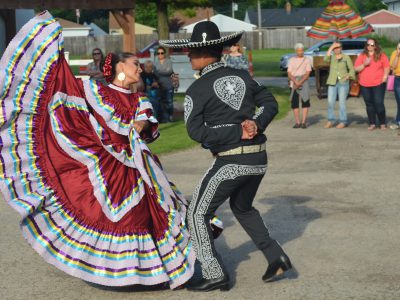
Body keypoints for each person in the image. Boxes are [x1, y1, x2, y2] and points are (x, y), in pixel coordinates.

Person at [0, 12, 195, 289]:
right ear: (119, 69)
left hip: (136, 169)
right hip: (104, 168)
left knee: (142, 217)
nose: (140, 69)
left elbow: (149, 127)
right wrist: (55, 56)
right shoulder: (95, 91)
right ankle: (118, 273)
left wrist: (140, 124)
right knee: (105, 215)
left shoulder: (140, 100)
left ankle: (141, 273)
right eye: (135, 65)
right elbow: (65, 92)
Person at [160, 20, 292, 292]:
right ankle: (275, 255)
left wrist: (235, 131)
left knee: (196, 213)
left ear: (201, 53)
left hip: (232, 162)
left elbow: (196, 132)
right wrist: (255, 124)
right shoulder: (244, 76)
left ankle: (214, 272)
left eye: (191, 52)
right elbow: (270, 103)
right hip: (258, 158)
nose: (188, 56)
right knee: (243, 208)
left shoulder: (196, 90)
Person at [355, 38, 390, 130]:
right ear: (366, 46)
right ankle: (372, 123)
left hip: (378, 83)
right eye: (368, 45)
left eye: (372, 45)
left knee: (378, 103)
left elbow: (386, 67)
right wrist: (364, 64)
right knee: (369, 104)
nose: (370, 46)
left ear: (375, 46)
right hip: (364, 84)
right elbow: (356, 69)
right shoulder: (362, 56)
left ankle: (382, 122)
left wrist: (385, 76)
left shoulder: (381, 55)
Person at [324, 42, 355, 129]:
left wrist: (348, 76)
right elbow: (325, 59)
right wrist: (331, 47)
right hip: (332, 82)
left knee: (342, 103)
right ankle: (330, 120)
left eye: (338, 47)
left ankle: (343, 121)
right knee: (330, 102)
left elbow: (352, 69)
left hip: (343, 83)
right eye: (335, 48)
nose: (337, 49)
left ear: (341, 48)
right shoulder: (332, 57)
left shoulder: (346, 57)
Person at [287, 43, 312, 129]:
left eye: (302, 50)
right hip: (293, 82)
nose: (300, 52)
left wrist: (300, 82)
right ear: (296, 51)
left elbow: (308, 73)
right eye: (298, 50)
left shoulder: (307, 60)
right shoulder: (291, 60)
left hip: (304, 81)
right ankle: (297, 122)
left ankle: (303, 122)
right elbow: (289, 73)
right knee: (295, 103)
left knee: (305, 101)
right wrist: (295, 82)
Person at [154, 46, 174, 123]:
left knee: (169, 102)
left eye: (162, 53)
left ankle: (170, 116)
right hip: (160, 86)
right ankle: (165, 118)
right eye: (158, 53)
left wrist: (159, 72)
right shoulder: (155, 63)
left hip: (168, 85)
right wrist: (164, 71)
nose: (160, 54)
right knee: (162, 102)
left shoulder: (169, 61)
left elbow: (169, 71)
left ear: (164, 54)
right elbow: (156, 73)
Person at [389, 42, 400, 130]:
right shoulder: (394, 53)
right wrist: (397, 54)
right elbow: (393, 67)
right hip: (398, 79)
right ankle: (398, 122)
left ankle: (397, 121)